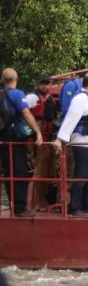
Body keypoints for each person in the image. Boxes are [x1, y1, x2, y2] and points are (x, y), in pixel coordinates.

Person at [54, 71, 88, 216]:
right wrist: (60, 139)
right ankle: (75, 206)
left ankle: (86, 204)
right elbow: (70, 120)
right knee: (81, 175)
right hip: (82, 143)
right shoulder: (81, 98)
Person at [1, 69, 42, 217]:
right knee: (21, 173)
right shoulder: (17, 94)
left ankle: (14, 204)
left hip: (3, 140)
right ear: (16, 79)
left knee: (9, 173)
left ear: (2, 80)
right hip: (16, 140)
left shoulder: (1, 94)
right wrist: (38, 132)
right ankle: (20, 208)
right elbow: (26, 113)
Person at [28, 75, 60, 210]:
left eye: (47, 84)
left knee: (49, 171)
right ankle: (37, 202)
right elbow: (25, 115)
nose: (45, 86)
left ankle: (43, 200)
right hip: (37, 139)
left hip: (49, 139)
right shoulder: (32, 98)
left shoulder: (52, 100)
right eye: (42, 84)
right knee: (40, 171)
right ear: (37, 84)